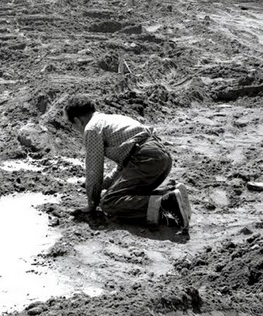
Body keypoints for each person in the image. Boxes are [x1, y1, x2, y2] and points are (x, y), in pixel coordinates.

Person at [64, 96, 192, 234]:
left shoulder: (91, 128)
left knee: (109, 202)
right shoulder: (110, 119)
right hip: (160, 158)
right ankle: (170, 194)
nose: (74, 129)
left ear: (77, 120)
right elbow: (124, 165)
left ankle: (166, 202)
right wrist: (105, 184)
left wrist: (92, 203)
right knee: (128, 194)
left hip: (146, 160)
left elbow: (94, 170)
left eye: (72, 125)